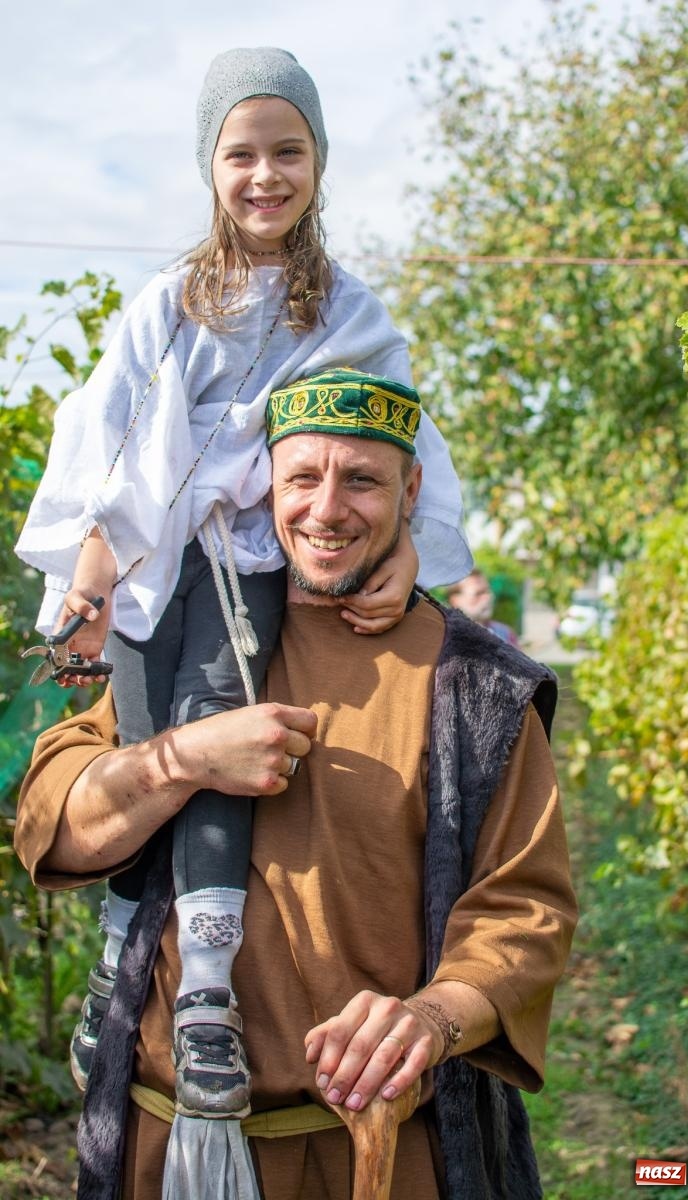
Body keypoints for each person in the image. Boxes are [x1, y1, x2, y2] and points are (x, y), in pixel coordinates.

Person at [14, 48, 471, 1119]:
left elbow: (405, 439)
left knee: (223, 735)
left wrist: (409, 546)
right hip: (142, 560)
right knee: (141, 751)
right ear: (208, 166)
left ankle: (206, 992)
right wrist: (92, 555)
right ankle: (117, 970)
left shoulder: (347, 312)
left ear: (317, 162)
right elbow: (109, 422)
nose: (265, 175)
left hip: (249, 559)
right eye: (242, 154)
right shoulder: (168, 301)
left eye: (287, 151)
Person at [15, 374, 577, 1200]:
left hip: (376, 1156)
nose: (326, 509)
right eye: (301, 478)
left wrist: (430, 1016)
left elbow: (525, 915)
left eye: (362, 479)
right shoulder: (191, 640)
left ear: (411, 489)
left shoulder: (477, 689)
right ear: (261, 486)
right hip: (161, 1148)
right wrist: (179, 761)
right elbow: (50, 823)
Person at [447, 569, 521, 647]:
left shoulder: (505, 634)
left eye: (488, 591)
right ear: (455, 600)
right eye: (479, 593)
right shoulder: (443, 636)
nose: (488, 597)